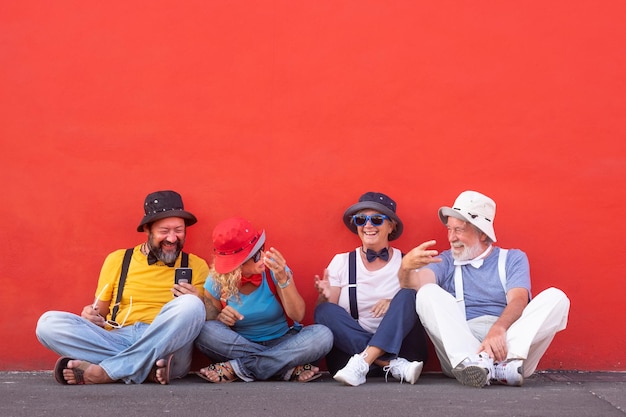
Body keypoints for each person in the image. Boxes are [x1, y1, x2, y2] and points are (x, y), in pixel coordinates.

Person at [399, 190, 570, 388]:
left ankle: (500, 364)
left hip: (508, 341)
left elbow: (519, 300)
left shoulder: (512, 258)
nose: (451, 237)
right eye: (449, 229)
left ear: (482, 233)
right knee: (427, 292)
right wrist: (406, 267)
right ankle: (476, 363)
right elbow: (414, 283)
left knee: (557, 298)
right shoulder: (445, 261)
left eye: (459, 230)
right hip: (462, 343)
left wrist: (498, 329)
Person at [36, 190, 209, 385]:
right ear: (147, 230)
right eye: (164, 231)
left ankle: (107, 372)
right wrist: (91, 315)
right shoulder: (118, 260)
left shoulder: (196, 265)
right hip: (121, 337)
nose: (172, 238)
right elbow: (99, 313)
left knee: (191, 305)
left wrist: (199, 300)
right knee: (48, 324)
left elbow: (204, 320)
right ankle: (145, 368)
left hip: (167, 346)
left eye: (178, 230)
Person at [194, 217, 333, 383]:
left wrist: (283, 279)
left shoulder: (274, 269)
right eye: (254, 255)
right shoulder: (216, 280)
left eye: (261, 249)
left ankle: (238, 369)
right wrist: (221, 318)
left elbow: (298, 315)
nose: (262, 258)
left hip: (285, 341)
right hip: (240, 344)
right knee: (204, 332)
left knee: (323, 335)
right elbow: (211, 322)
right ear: (236, 264)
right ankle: (285, 369)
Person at [314, 192, 430, 387]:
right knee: (323, 310)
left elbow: (425, 305)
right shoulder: (342, 262)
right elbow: (329, 318)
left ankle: (367, 360)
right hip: (350, 358)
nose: (368, 225)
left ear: (391, 225)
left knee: (409, 294)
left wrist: (393, 303)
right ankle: (389, 364)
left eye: (376, 219)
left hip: (404, 351)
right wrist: (323, 297)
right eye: (361, 220)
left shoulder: (407, 261)